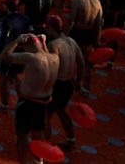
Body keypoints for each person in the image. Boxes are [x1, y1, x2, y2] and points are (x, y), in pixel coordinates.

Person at [1, 33, 59, 164]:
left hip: (28, 103)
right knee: (38, 135)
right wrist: (43, 43)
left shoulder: (31, 58)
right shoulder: (55, 58)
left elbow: (5, 56)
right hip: (44, 102)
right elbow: (45, 54)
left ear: (28, 46)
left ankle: (22, 162)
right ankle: (38, 162)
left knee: (22, 136)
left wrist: (16, 40)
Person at [45, 15, 83, 151]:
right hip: (68, 85)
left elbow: (52, 68)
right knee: (61, 111)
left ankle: (45, 148)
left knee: (46, 116)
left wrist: (46, 87)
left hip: (57, 85)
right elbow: (81, 62)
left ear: (50, 28)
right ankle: (71, 140)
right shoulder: (72, 41)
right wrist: (78, 80)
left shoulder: (53, 45)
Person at [0, 0, 31, 112]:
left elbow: (5, 40)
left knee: (4, 78)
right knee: (15, 77)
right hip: (22, 52)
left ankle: (4, 105)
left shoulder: (8, 20)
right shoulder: (25, 18)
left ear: (7, 6)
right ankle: (22, 102)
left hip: (11, 52)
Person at [67, 0, 103, 90]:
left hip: (77, 33)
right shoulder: (97, 1)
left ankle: (71, 82)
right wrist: (97, 39)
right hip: (89, 34)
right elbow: (98, 24)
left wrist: (63, 36)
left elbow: (71, 23)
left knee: (71, 59)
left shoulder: (76, 1)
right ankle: (82, 84)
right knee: (85, 61)